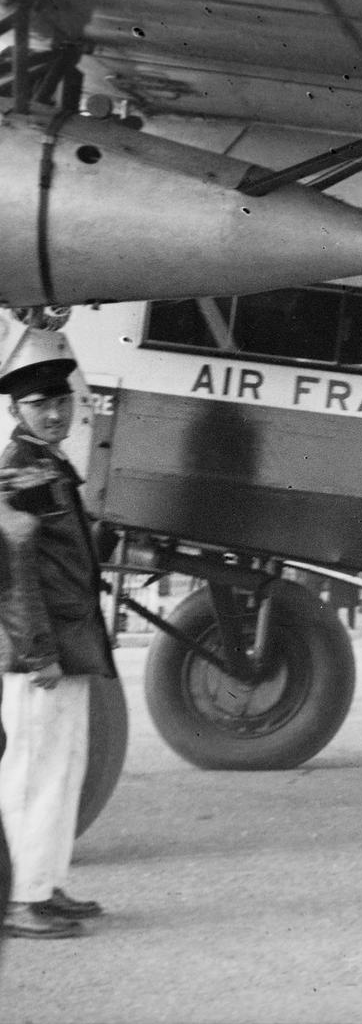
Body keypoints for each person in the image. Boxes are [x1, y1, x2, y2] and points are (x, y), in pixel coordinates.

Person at [0, 352, 118, 939]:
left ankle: (44, 886)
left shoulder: (49, 464)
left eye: (60, 401)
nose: (53, 413)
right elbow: (14, 573)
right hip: (40, 653)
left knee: (63, 769)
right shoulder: (20, 471)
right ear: (16, 410)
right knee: (31, 774)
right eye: (39, 404)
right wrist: (38, 650)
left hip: (67, 645)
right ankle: (20, 899)